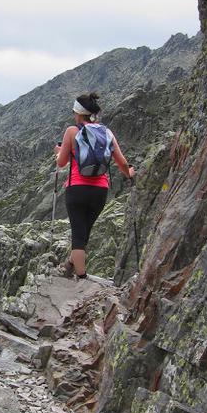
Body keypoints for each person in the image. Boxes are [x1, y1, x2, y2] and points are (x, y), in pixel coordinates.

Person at [54, 92, 135, 279]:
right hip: (100, 191)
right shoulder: (107, 132)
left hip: (77, 189)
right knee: (84, 233)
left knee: (78, 237)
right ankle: (69, 265)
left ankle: (81, 278)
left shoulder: (72, 132)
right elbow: (122, 162)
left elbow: (61, 162)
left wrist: (58, 152)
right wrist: (129, 173)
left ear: (78, 113)